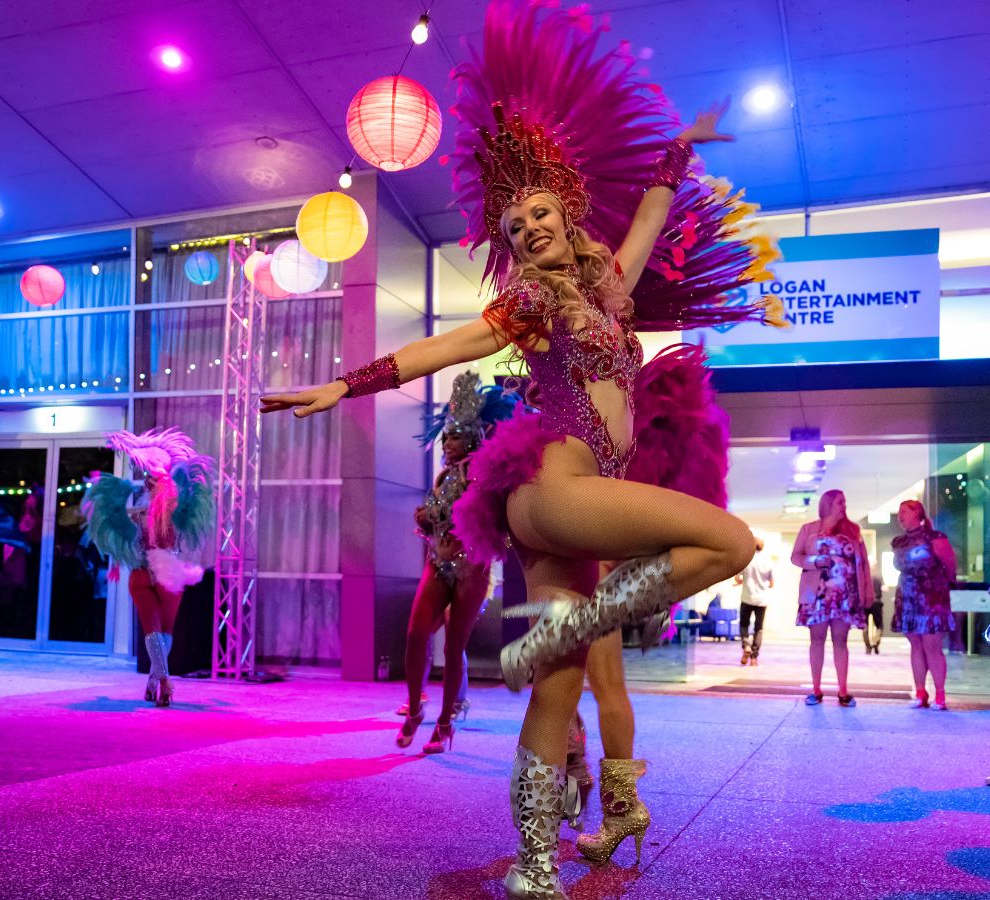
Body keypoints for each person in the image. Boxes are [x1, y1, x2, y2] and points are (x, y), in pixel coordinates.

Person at [261, 3, 782, 894]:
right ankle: (563, 646)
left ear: (565, 207)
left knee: (556, 687)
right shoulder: (531, 305)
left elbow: (655, 205)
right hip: (554, 488)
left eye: (537, 214)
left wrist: (685, 144)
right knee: (729, 543)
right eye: (513, 230)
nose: (528, 231)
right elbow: (447, 349)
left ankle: (534, 866)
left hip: (573, 517)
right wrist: (348, 382)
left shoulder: (612, 286)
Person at [398, 372, 515, 753]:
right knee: (416, 634)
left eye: (455, 435)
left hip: (472, 568)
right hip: (438, 563)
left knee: (452, 647)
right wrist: (426, 523)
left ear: (474, 439)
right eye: (445, 435)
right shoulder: (443, 476)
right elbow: (437, 523)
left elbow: (489, 517)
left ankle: (446, 722)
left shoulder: (480, 474)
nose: (447, 443)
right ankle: (416, 709)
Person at [84, 428, 214, 707]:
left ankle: (158, 679)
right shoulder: (172, 506)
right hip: (167, 572)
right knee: (164, 630)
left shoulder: (143, 507)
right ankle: (160, 680)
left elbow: (133, 534)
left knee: (152, 629)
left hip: (143, 570)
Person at [791, 489, 873, 708]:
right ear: (827, 504)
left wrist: (868, 590)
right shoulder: (808, 530)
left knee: (841, 641)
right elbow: (796, 557)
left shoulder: (853, 531)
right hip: (816, 594)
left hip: (845, 596)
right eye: (840, 502)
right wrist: (816, 561)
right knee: (816, 640)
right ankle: (816, 690)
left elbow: (863, 563)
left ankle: (843, 690)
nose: (844, 506)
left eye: (844, 502)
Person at [892, 499, 958, 710]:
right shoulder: (898, 542)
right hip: (908, 596)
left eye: (905, 511)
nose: (900, 515)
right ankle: (920, 692)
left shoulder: (935, 538)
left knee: (932, 646)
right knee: (916, 646)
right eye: (899, 511)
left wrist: (942, 586)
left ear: (917, 513)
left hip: (931, 598)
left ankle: (940, 694)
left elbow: (949, 564)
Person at [735, 539, 774, 665]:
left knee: (744, 624)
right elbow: (772, 583)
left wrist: (743, 582)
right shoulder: (768, 562)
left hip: (747, 598)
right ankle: (754, 657)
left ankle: (746, 645)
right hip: (762, 600)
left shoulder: (747, 561)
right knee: (759, 628)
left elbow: (738, 578)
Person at [863, 566, 885, 655]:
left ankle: (868, 647)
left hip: (865, 602)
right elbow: (884, 587)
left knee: (865, 625)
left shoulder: (864, 575)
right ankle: (876, 642)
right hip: (877, 602)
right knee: (879, 626)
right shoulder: (878, 575)